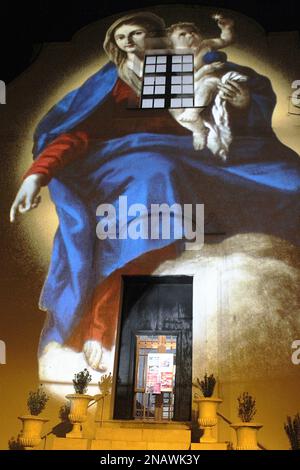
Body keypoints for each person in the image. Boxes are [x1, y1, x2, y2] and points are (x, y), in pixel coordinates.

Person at [10, 12, 300, 372]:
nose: (130, 41)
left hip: (190, 154)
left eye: (138, 33)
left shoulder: (192, 63)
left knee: (290, 182)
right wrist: (38, 173)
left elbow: (242, 105)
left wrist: (239, 101)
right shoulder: (111, 84)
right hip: (127, 160)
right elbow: (76, 132)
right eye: (122, 37)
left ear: (159, 38)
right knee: (153, 184)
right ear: (114, 47)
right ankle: (102, 326)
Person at [167, 15, 239, 155]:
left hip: (211, 81)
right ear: (171, 42)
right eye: (183, 34)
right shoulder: (174, 58)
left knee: (207, 83)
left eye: (193, 32)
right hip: (189, 85)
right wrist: (205, 69)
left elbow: (227, 39)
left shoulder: (206, 45)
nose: (190, 35)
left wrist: (227, 28)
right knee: (174, 108)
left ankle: (193, 111)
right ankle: (199, 130)